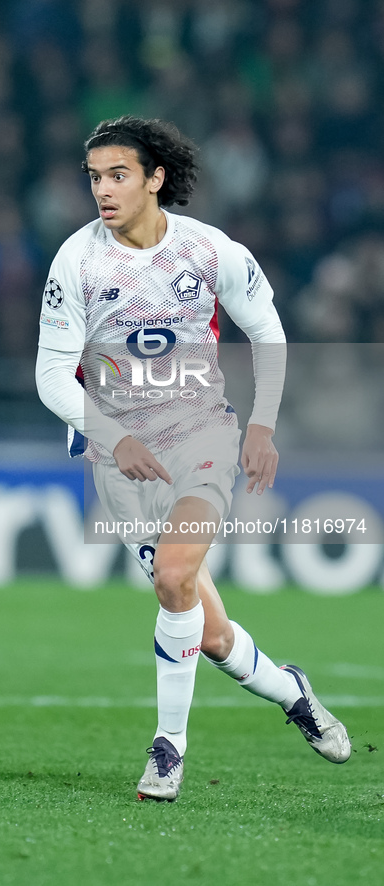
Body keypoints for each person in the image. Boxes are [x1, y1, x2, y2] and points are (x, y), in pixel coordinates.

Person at [35, 116, 351, 802]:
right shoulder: (77, 261)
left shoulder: (209, 252)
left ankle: (167, 747)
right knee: (204, 630)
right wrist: (111, 436)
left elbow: (266, 332)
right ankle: (291, 691)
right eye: (93, 177)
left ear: (155, 178)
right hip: (121, 455)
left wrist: (261, 426)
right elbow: (51, 374)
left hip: (201, 433)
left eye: (117, 174)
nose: (102, 189)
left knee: (174, 574)